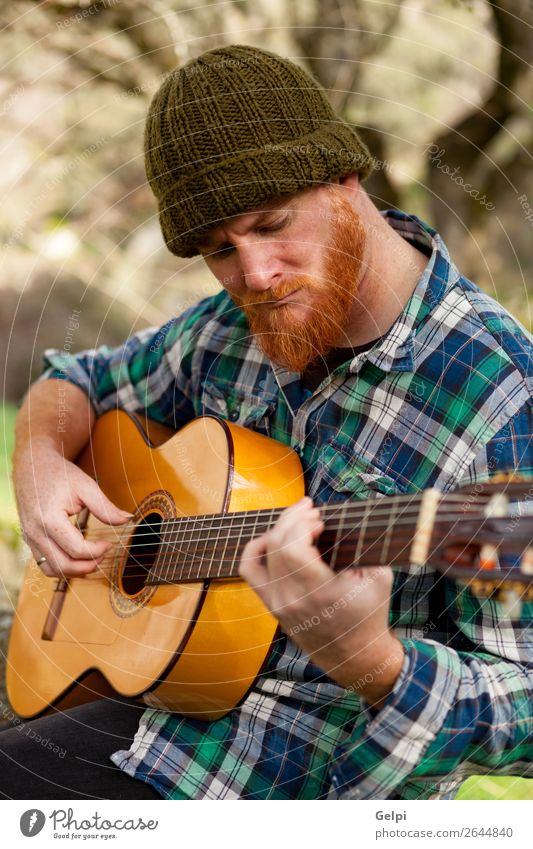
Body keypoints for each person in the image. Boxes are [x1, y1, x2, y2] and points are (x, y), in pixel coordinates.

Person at [3, 44, 533, 801]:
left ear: (346, 179)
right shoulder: (226, 328)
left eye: (272, 223)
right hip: (154, 702)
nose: (253, 274)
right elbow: (77, 380)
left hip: (296, 778)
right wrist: (40, 458)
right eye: (219, 251)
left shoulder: (501, 393)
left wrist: (371, 658)